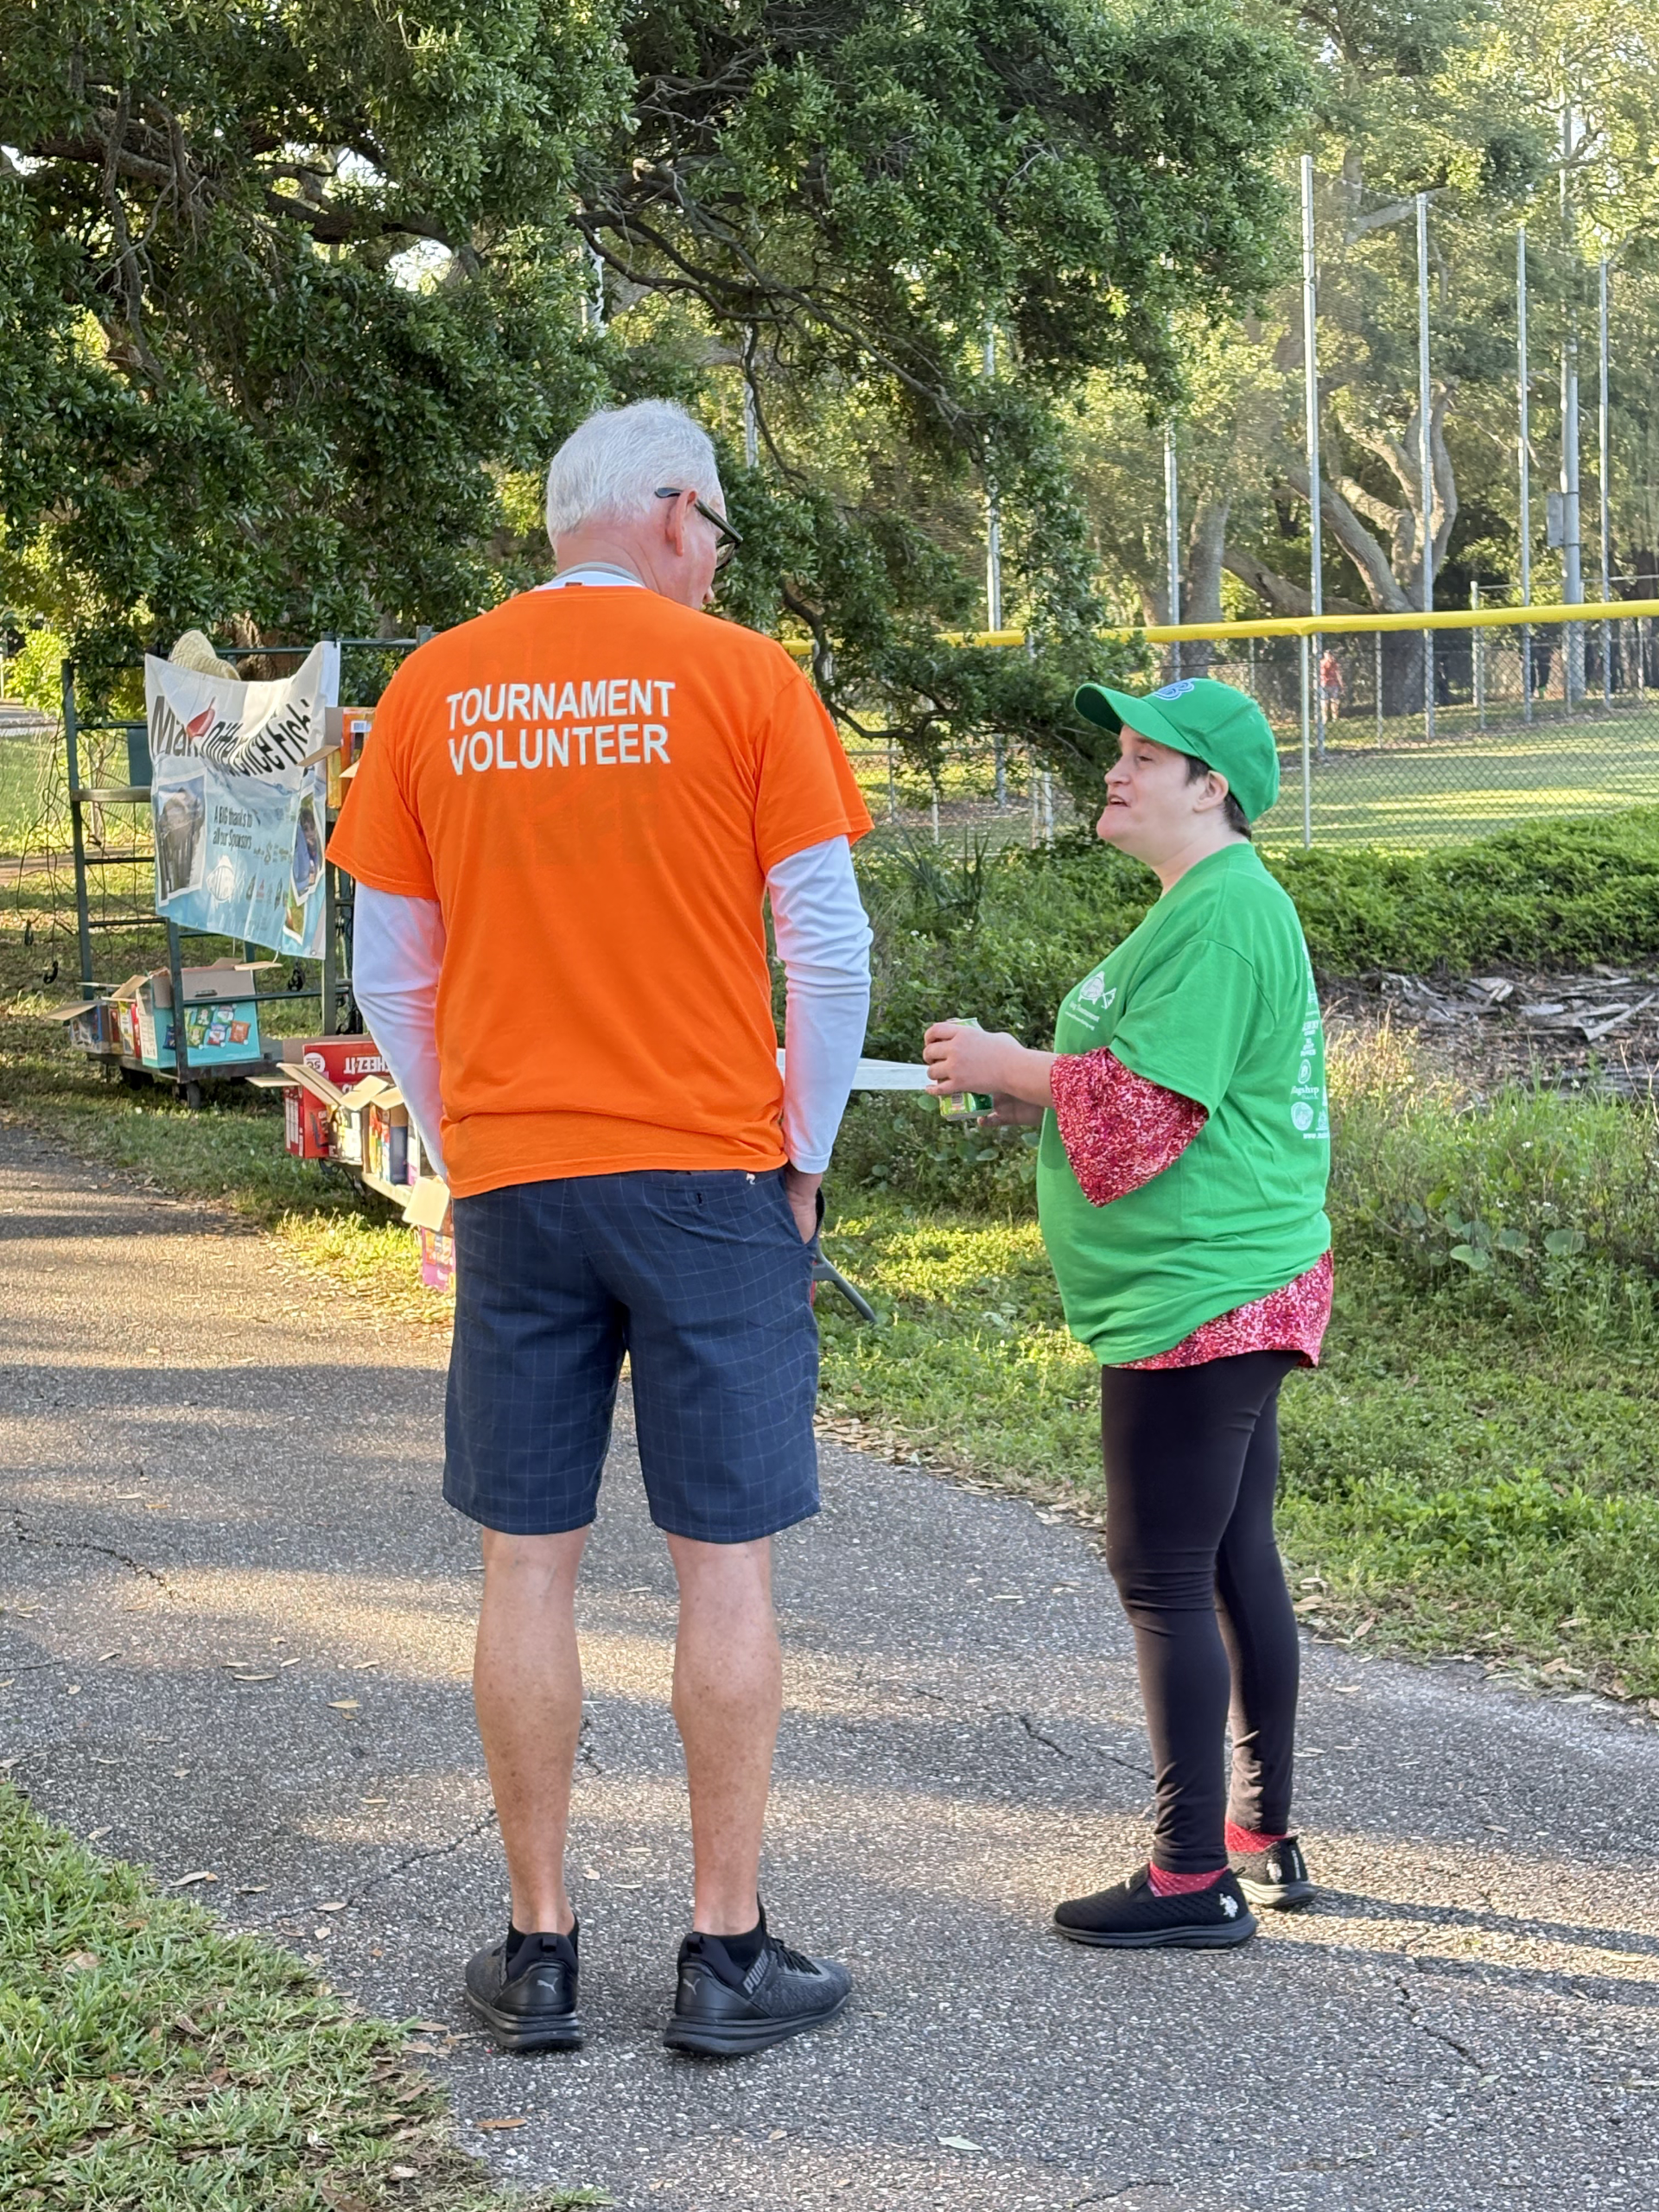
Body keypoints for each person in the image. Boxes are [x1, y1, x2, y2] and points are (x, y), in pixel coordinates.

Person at [329, 398, 874, 2056]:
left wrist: (468, 1143)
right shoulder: (748, 683)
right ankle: (724, 1954)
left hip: (519, 1180)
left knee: (528, 1561)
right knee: (724, 1562)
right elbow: (830, 956)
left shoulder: (431, 689)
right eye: (714, 529)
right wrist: (803, 1156)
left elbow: (387, 977)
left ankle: (542, 1948)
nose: (716, 557)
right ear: (666, 510)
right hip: (711, 1175)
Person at [921, 677, 1331, 1951]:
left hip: (1201, 1288)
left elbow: (1151, 1108)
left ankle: (1187, 1876)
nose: (1118, 771)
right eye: (1121, 752)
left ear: (1212, 789)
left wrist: (1011, 1065)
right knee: (1225, 1555)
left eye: (1147, 757)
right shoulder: (1201, 907)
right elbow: (1148, 1084)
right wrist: (1037, 1095)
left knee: (1162, 1568)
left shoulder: (1224, 913)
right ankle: (1256, 1830)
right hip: (1219, 1273)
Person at [1318, 646, 1344, 723]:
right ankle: (1324, 718)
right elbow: (1320, 674)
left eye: (1330, 654)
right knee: (1324, 701)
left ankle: (1335, 718)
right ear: (1324, 655)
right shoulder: (1321, 663)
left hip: (1334, 684)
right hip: (1324, 684)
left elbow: (1338, 674)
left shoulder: (1334, 664)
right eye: (1327, 654)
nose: (1329, 655)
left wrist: (1341, 684)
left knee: (1334, 701)